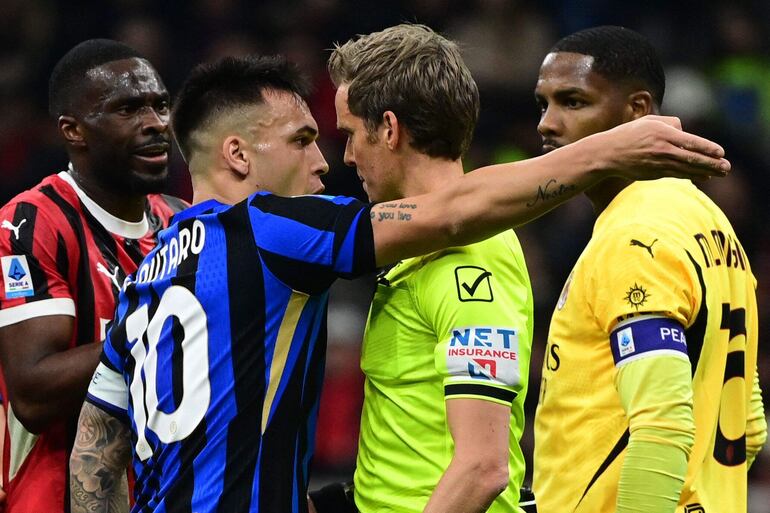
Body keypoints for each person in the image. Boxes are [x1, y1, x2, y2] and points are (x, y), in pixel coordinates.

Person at [70, 52, 728, 513]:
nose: (329, 160)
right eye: (305, 140)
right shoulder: (269, 229)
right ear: (238, 155)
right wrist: (610, 149)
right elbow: (452, 211)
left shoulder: (143, 277)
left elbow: (94, 453)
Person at [531, 26, 766, 513]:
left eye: (573, 102)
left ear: (637, 111)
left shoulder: (634, 237)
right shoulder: (711, 224)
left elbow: (662, 425)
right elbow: (750, 423)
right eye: (543, 104)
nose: (547, 124)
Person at [322, 24, 532, 513]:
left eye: (351, 134)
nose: (348, 156)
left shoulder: (472, 257)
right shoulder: (416, 248)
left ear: (390, 129)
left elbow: (483, 467)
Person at [0, 39, 185, 513]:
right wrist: (160, 323)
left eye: (160, 105)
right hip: (52, 499)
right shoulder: (31, 222)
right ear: (73, 130)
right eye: (128, 108)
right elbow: (34, 394)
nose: (155, 123)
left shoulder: (183, 224)